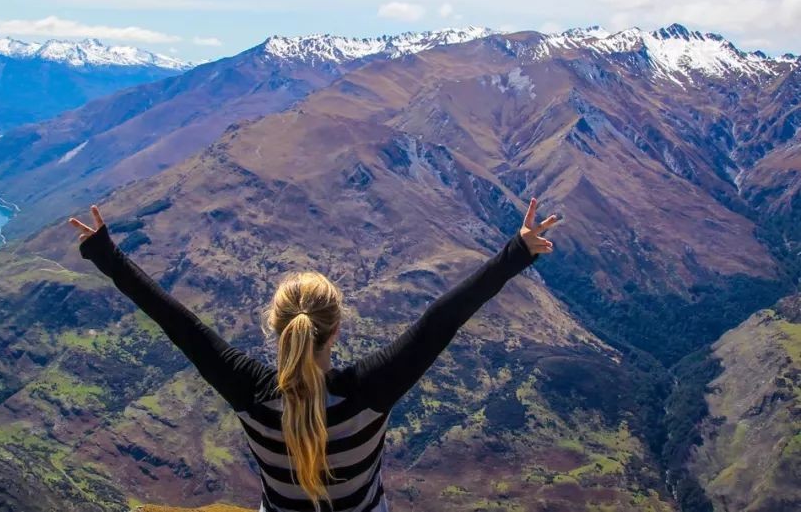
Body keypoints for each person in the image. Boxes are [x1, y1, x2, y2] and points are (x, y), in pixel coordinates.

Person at [69, 198, 557, 512]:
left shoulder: (251, 393)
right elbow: (441, 320)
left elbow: (178, 323)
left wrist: (107, 256)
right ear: (337, 329)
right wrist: (516, 252)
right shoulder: (371, 391)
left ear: (275, 327)